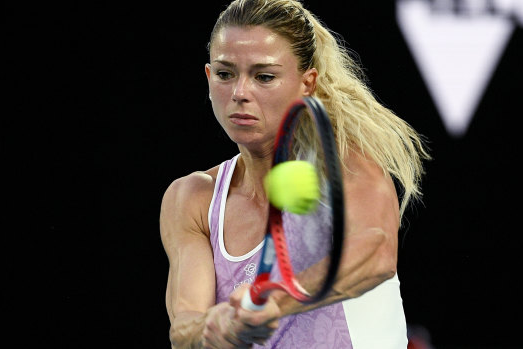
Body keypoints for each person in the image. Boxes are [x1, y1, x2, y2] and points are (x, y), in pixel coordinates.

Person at [159, 0, 430, 348]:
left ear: (307, 83)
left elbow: (375, 255)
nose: (240, 93)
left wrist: (274, 301)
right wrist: (213, 328)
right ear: (209, 78)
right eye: (226, 74)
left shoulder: (347, 162)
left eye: (264, 76)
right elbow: (185, 326)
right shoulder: (192, 197)